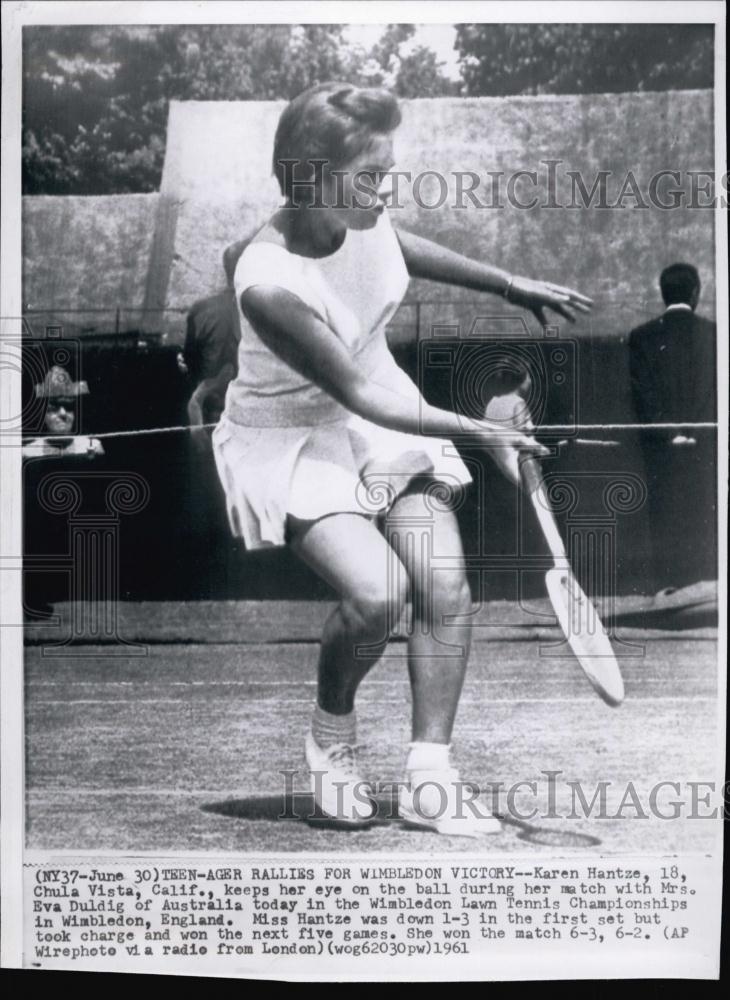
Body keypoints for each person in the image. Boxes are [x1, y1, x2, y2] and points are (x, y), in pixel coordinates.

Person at [212, 82, 592, 835]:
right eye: (371, 178)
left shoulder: (360, 213)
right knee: (378, 595)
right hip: (294, 435)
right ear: (314, 178)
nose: (386, 192)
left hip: (383, 411)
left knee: (443, 584)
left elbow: (394, 243)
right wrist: (481, 434)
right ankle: (331, 738)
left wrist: (507, 282)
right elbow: (355, 392)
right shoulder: (265, 284)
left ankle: (429, 779)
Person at [628, 263, 717, 588]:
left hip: (660, 450)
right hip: (707, 445)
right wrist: (695, 433)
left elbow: (644, 395)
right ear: (696, 292)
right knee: (703, 515)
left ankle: (670, 588)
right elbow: (714, 391)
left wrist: (671, 434)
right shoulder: (715, 333)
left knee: (665, 516)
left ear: (663, 293)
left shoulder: (641, 337)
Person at [183, 240, 248, 435]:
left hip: (205, 409)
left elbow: (191, 360)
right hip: (242, 411)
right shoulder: (260, 312)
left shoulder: (201, 310)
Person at [22, 365, 103, 459]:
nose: (63, 413)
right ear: (42, 415)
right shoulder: (29, 453)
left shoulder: (92, 448)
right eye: (54, 408)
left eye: (69, 407)